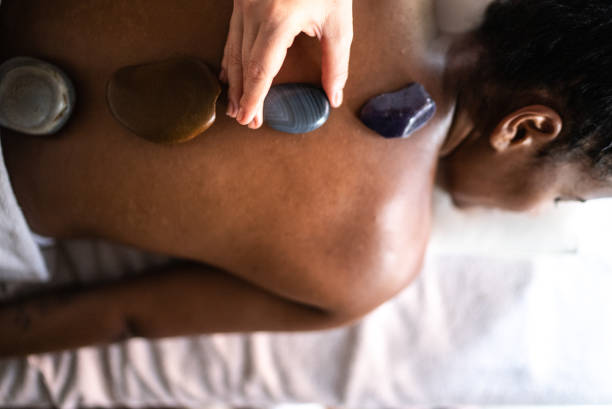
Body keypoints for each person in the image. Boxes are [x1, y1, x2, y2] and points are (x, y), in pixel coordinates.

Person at [1, 0, 611, 357]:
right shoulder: (377, 263)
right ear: (527, 128)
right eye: (566, 196)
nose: (539, 214)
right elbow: (120, 317)